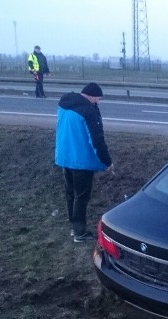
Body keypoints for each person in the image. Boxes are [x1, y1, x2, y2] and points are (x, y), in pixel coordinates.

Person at [54, 82, 113, 243]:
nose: (98, 103)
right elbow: (97, 140)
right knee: (81, 196)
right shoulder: (88, 111)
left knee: (70, 193)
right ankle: (80, 232)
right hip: (81, 161)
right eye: (98, 99)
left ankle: (74, 225)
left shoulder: (65, 104)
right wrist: (107, 162)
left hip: (65, 157)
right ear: (92, 96)